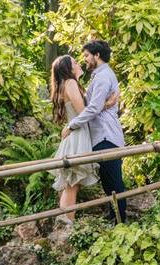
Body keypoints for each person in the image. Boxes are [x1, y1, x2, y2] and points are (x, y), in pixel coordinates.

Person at [62, 40, 128, 224]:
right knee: (108, 182)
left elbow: (92, 109)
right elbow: (95, 106)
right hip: (100, 135)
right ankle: (114, 217)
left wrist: (71, 125)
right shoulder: (99, 76)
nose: (84, 60)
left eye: (86, 56)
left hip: (107, 135)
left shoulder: (103, 77)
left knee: (114, 181)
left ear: (97, 55)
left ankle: (120, 221)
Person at [48, 55, 116, 222]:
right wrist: (107, 104)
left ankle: (65, 220)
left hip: (78, 134)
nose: (78, 63)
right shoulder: (70, 83)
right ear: (68, 69)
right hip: (77, 136)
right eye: (75, 62)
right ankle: (66, 222)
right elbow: (83, 111)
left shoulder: (70, 84)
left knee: (72, 182)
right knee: (72, 182)